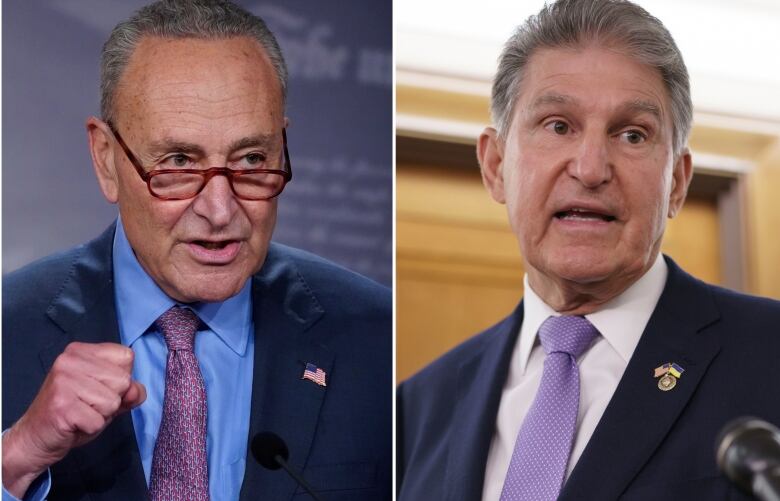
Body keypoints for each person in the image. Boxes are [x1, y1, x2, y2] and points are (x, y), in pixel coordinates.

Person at [2, 1, 391, 500]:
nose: (221, 208)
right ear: (106, 161)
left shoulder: (376, 337)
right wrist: (14, 460)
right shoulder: (8, 330)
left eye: (252, 159)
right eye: (180, 161)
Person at [397, 0, 780, 499]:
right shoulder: (416, 408)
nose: (592, 167)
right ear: (495, 166)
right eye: (558, 125)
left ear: (678, 183)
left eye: (632, 134)